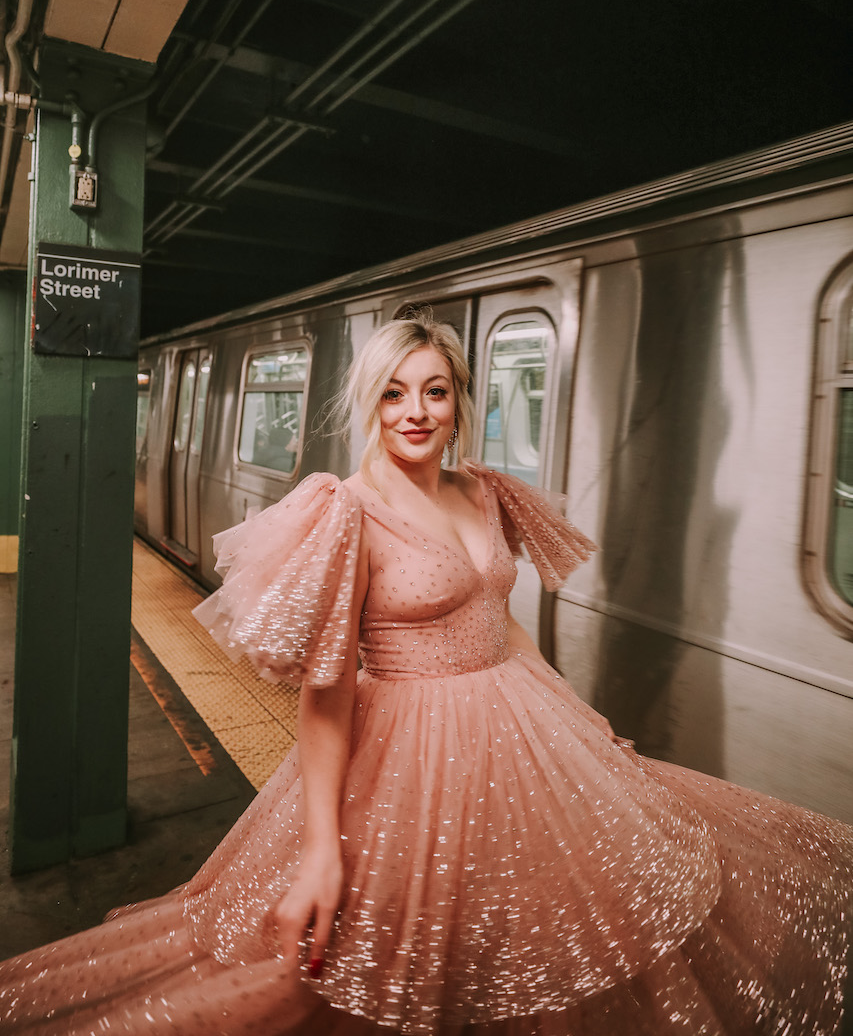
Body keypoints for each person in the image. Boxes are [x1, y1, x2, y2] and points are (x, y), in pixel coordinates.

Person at [1, 305, 852, 1035]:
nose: (416, 412)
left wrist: (578, 722)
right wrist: (320, 851)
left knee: (537, 934)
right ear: (368, 403)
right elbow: (327, 691)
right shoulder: (344, 512)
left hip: (525, 733)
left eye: (435, 391)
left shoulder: (485, 492)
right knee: (358, 961)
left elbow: (500, 621)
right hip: (407, 754)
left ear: (458, 403)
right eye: (394, 393)